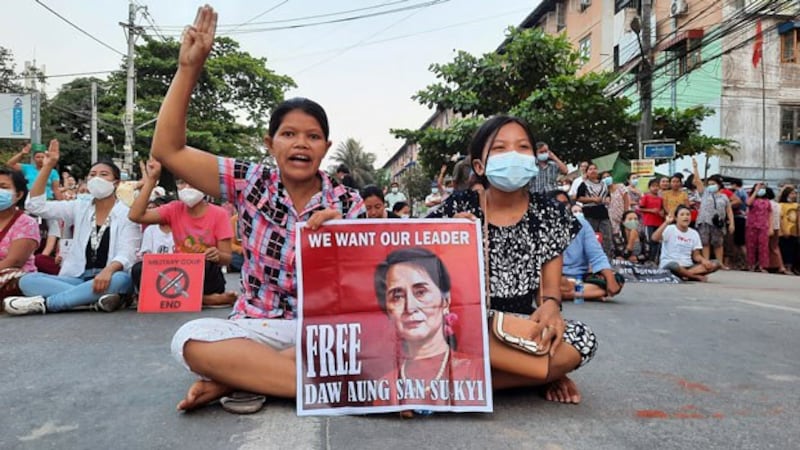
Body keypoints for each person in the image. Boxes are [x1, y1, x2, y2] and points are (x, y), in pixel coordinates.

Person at [151, 6, 364, 413]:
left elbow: (367, 283)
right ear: (270, 143)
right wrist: (188, 69)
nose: (301, 144)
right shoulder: (249, 181)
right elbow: (168, 150)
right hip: (257, 326)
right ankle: (326, 383)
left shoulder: (347, 203)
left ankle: (239, 379)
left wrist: (343, 237)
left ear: (326, 147)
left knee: (379, 333)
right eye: (289, 134)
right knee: (190, 339)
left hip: (325, 327)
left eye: (313, 136)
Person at [427, 115, 596, 404]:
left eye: (522, 147)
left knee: (583, 339)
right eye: (501, 149)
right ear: (479, 166)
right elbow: (415, 257)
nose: (513, 156)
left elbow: (550, 294)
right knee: (428, 332)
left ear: (533, 159)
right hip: (463, 323)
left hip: (517, 324)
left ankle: (451, 386)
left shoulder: (549, 212)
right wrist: (446, 236)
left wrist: (551, 312)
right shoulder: (458, 207)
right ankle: (535, 374)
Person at [4, 141, 140, 315]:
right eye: (92, 174)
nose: (96, 178)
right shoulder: (79, 207)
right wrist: (48, 167)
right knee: (28, 280)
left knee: (121, 279)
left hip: (108, 276)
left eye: (104, 174)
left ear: (116, 182)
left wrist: (107, 271)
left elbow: (127, 254)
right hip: (76, 278)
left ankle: (47, 303)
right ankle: (89, 300)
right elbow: (35, 206)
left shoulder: (127, 213)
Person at [372, 248, 485, 406]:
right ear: (388, 311)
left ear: (445, 302)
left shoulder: (479, 371)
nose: (410, 307)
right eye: (397, 296)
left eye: (420, 292)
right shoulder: (385, 387)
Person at [128, 159, 237, 307]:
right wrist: (152, 180)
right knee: (139, 269)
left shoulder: (219, 214)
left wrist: (217, 255)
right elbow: (135, 216)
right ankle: (206, 299)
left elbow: (227, 258)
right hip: (177, 270)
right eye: (182, 183)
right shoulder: (174, 209)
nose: (187, 187)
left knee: (206, 265)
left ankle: (166, 296)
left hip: (205, 271)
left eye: (192, 183)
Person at [550, 190, 624, 302]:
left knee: (617, 280)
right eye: (556, 203)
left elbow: (597, 255)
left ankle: (568, 293)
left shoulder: (581, 223)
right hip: (555, 277)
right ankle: (583, 293)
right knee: (549, 283)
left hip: (580, 277)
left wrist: (610, 278)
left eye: (565, 204)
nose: (561, 207)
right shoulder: (542, 225)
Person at [0, 167, 40, 304]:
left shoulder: (26, 223)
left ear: (18, 195)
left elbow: (15, 261)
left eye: (3, 187)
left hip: (13, 277)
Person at [652, 205, 720, 282]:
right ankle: (695, 277)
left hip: (688, 266)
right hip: (671, 265)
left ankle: (684, 275)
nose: (686, 217)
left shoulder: (694, 233)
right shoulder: (669, 228)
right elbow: (654, 238)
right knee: (674, 265)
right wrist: (666, 222)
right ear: (676, 218)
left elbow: (696, 255)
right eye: (682, 215)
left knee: (715, 263)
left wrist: (703, 260)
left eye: (688, 214)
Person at [691, 159, 734, 270]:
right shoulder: (704, 193)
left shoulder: (724, 197)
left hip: (718, 223)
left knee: (718, 243)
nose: (711, 186)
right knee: (705, 243)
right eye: (709, 184)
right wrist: (695, 168)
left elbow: (729, 211)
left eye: (713, 184)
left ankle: (720, 264)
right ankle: (707, 263)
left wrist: (731, 223)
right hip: (704, 221)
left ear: (719, 185)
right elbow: (697, 181)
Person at [576, 164, 613, 259]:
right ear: (587, 172)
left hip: (603, 213)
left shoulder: (604, 184)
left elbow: (608, 195)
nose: (593, 171)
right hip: (590, 213)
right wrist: (592, 199)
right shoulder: (584, 184)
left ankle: (607, 257)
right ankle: (590, 258)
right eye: (590, 169)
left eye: (595, 169)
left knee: (607, 237)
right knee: (591, 236)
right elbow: (579, 198)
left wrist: (608, 199)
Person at [745, 182, 771, 272]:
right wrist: (755, 191)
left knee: (763, 246)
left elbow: (770, 214)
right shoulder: (752, 199)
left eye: (763, 188)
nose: (761, 189)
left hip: (764, 226)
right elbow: (748, 203)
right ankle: (751, 264)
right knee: (751, 245)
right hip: (751, 225)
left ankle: (762, 266)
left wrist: (770, 227)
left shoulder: (767, 201)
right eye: (760, 188)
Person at [639, 178, 665, 263]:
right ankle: (648, 259)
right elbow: (640, 209)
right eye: (653, 186)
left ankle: (654, 260)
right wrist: (651, 210)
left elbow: (662, 209)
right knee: (649, 241)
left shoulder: (660, 199)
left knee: (657, 242)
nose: (655, 188)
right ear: (649, 187)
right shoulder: (646, 197)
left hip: (659, 223)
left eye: (657, 186)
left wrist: (661, 213)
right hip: (649, 222)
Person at [778, 186, 798, 274]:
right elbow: (780, 219)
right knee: (784, 249)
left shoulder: (797, 205)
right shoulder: (781, 205)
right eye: (792, 193)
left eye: (795, 193)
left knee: (793, 250)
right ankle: (785, 267)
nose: (794, 195)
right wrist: (783, 230)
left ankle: (792, 267)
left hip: (794, 231)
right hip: (783, 231)